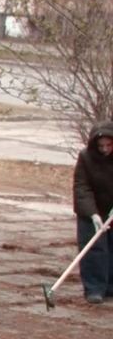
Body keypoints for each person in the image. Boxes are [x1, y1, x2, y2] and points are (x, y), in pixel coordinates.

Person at [74, 121, 113, 305]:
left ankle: (111, 287)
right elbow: (82, 187)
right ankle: (94, 288)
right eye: (101, 146)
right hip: (92, 209)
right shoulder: (86, 158)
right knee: (94, 248)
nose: (105, 149)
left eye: (109, 145)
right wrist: (93, 214)